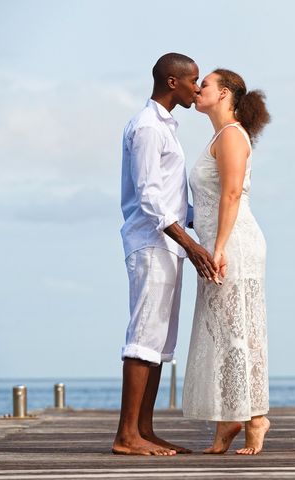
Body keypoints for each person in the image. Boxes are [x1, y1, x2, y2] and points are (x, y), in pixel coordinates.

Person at [113, 53, 217, 456]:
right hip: (151, 244)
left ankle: (143, 430)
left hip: (168, 244)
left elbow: (175, 203)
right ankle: (125, 436)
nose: (197, 87)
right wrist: (191, 246)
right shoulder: (147, 127)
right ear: (172, 82)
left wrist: (207, 219)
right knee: (143, 337)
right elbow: (150, 198)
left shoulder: (167, 128)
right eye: (193, 81)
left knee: (158, 342)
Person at [182, 69, 271, 455]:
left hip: (234, 243)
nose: (198, 89)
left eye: (205, 84)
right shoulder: (219, 136)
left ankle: (254, 419)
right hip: (218, 241)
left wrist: (217, 247)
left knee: (237, 332)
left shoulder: (233, 135)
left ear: (224, 94)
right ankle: (228, 420)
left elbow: (231, 194)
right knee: (221, 332)